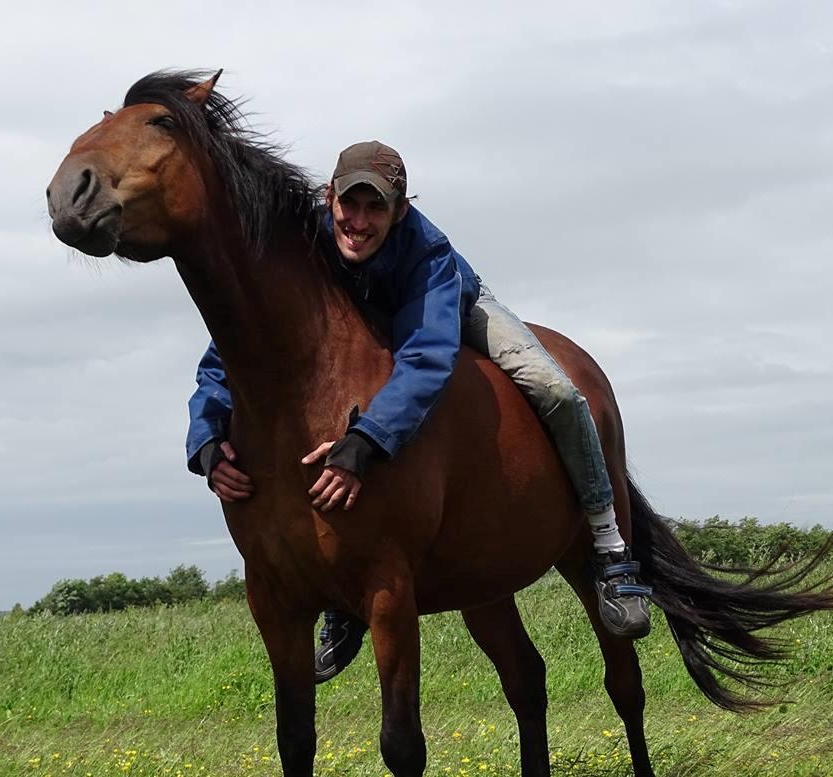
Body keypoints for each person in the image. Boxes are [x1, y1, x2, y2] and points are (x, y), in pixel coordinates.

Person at [186, 141, 652, 683]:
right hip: (362, 325)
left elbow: (428, 354)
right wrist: (205, 439)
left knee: (556, 390)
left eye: (376, 208)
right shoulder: (303, 246)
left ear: (400, 209)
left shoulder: (428, 252)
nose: (358, 222)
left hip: (453, 306)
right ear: (328, 195)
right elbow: (234, 352)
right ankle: (344, 601)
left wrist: (367, 439)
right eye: (348, 205)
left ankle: (608, 545)